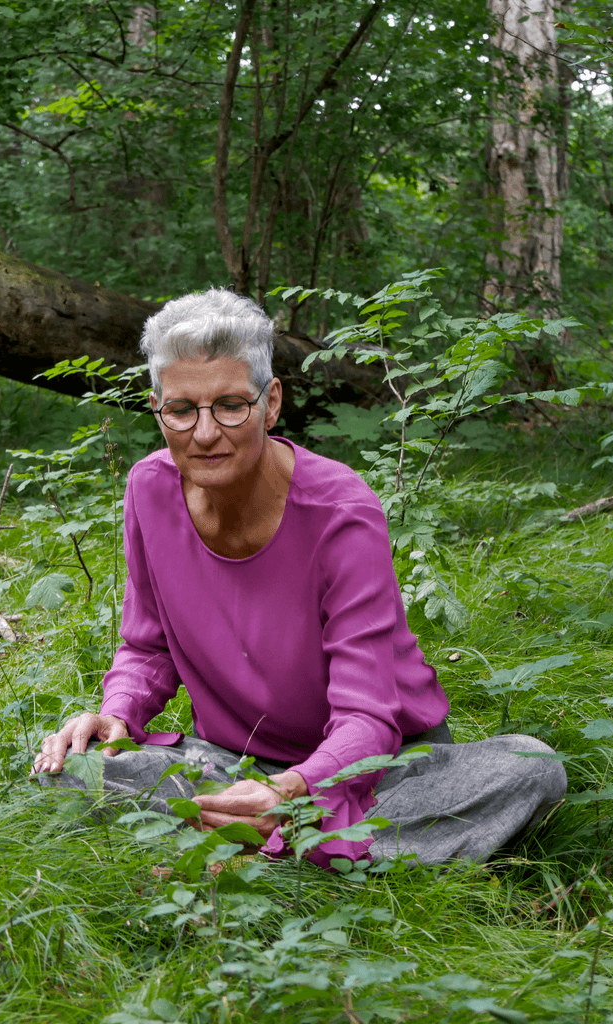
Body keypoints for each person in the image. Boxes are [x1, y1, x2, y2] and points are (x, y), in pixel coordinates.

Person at [33, 288, 567, 869]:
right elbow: (148, 644)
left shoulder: (342, 512)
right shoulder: (148, 487)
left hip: (376, 768)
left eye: (231, 405)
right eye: (182, 410)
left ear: (271, 403)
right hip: (232, 760)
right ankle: (300, 848)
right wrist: (120, 712)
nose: (205, 433)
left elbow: (367, 718)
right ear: (157, 407)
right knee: (65, 769)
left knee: (531, 767)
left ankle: (268, 839)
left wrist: (292, 791)